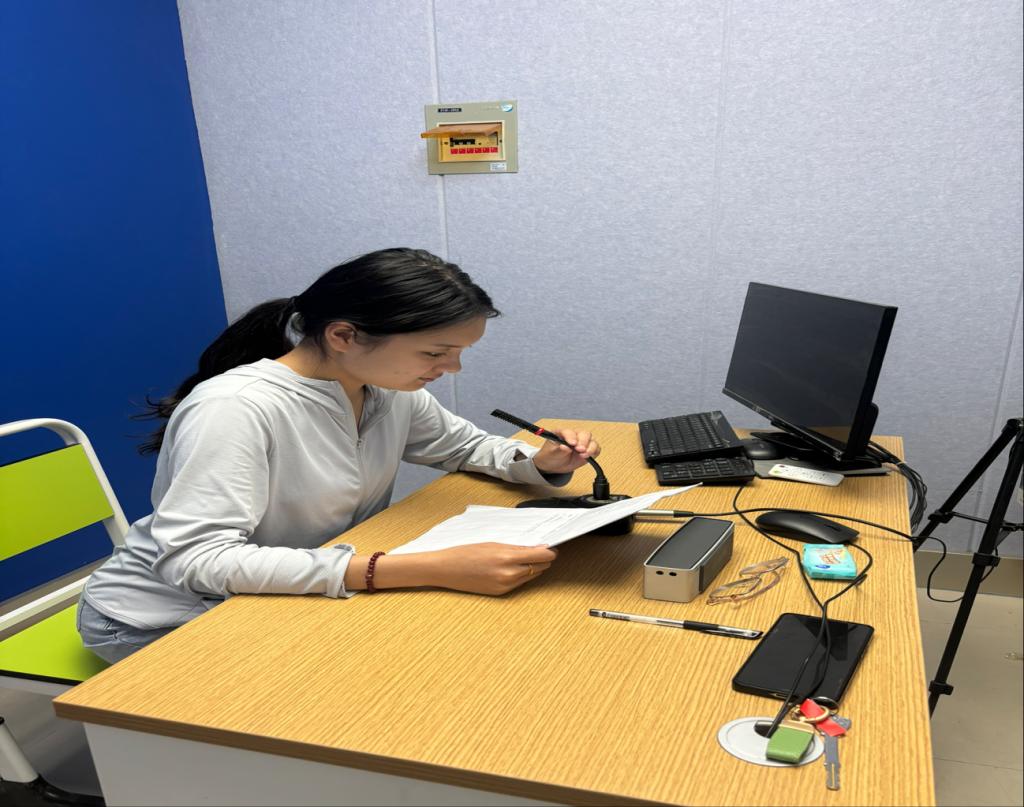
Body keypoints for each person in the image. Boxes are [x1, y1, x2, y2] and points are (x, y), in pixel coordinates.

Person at [78, 248, 600, 663]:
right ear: (344, 335)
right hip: (157, 616)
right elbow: (196, 560)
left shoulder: (386, 389)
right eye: (436, 353)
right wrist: (420, 568)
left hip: (276, 587)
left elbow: (465, 447)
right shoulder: (235, 407)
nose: (453, 369)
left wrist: (538, 464)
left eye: (459, 353)